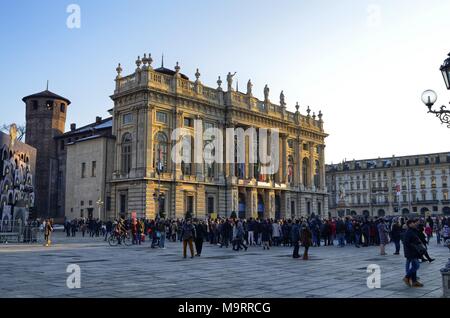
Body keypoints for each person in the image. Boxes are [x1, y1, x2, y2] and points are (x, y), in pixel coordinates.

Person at [402, 219, 424, 288]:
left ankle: (414, 281)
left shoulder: (413, 231)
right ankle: (406, 277)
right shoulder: (408, 232)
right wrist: (414, 246)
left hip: (415, 251)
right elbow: (406, 243)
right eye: (413, 223)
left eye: (414, 223)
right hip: (411, 252)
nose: (415, 224)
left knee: (415, 266)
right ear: (409, 224)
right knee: (416, 266)